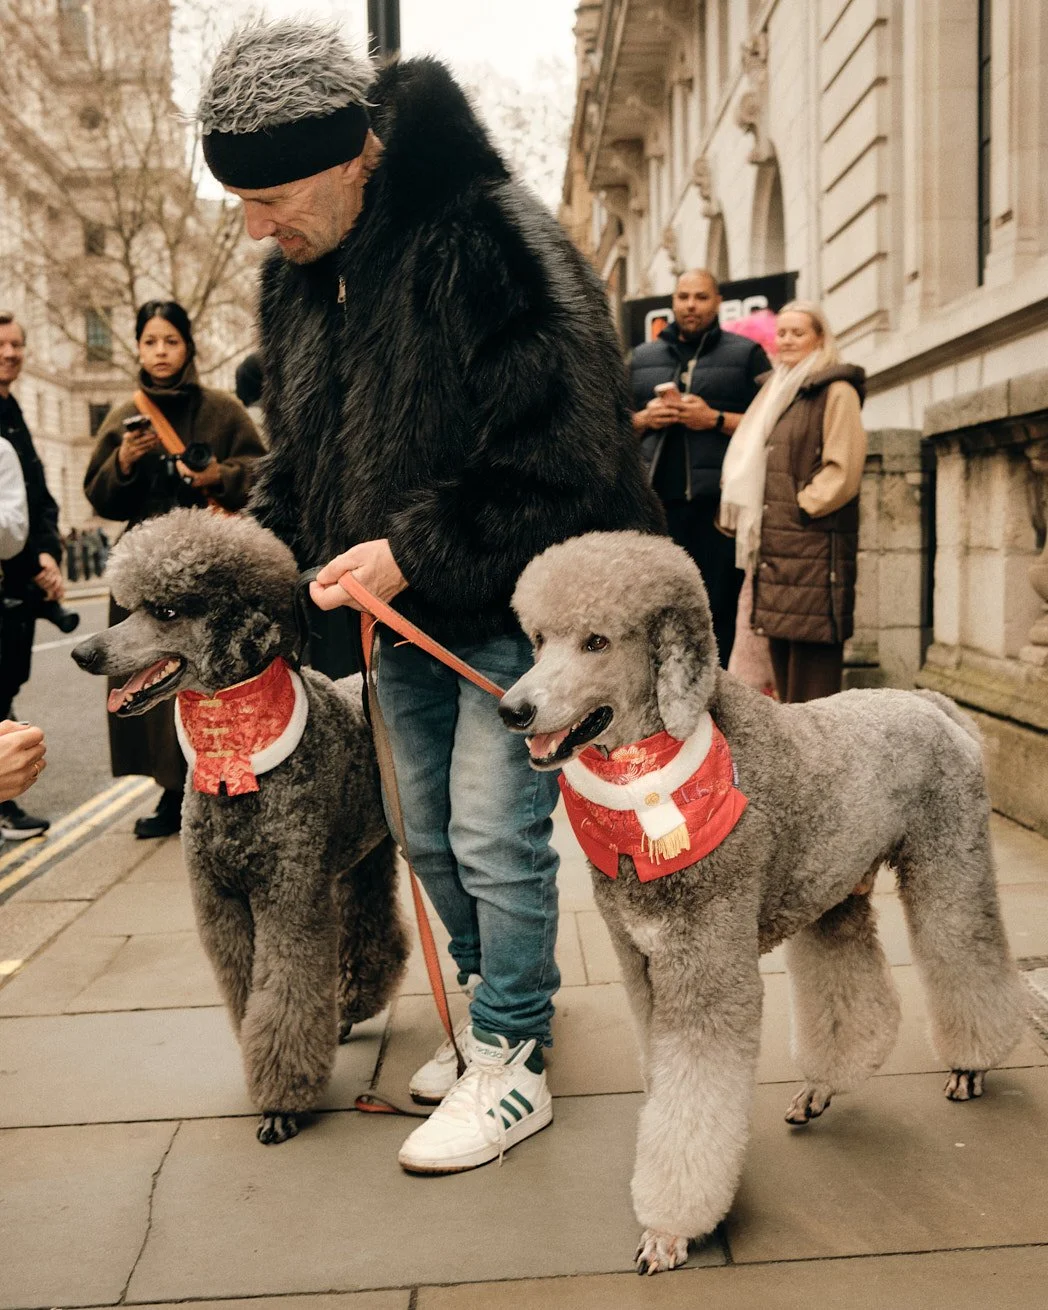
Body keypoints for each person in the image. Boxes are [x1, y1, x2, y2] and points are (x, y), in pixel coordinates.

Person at [197, 19, 663, 1175]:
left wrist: (410, 549)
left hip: (518, 611)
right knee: (423, 833)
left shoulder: (492, 235)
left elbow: (571, 450)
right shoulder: (298, 277)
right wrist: (274, 552)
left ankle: (513, 1052)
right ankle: (484, 1012)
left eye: (273, 195)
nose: (259, 226)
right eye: (240, 201)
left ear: (357, 149)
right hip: (389, 611)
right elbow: (297, 460)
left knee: (496, 836)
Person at [84, 300, 265, 838]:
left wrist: (214, 476)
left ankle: (235, 778)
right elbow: (99, 495)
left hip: (208, 573)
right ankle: (172, 792)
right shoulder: (123, 417)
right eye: (150, 342)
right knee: (149, 678)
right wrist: (124, 462)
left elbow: (261, 473)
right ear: (138, 347)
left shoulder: (223, 408)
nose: (160, 352)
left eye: (171, 341)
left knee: (217, 676)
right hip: (142, 575)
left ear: (187, 347)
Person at [719, 300, 867, 702]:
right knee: (783, 675)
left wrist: (801, 508)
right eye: (781, 332)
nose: (786, 340)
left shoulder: (835, 390)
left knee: (813, 677)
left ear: (820, 338)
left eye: (797, 332)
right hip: (777, 548)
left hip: (812, 545)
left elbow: (843, 468)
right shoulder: (777, 388)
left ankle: (820, 764)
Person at [630, 269, 770, 666]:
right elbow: (607, 426)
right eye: (684, 296)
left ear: (717, 302)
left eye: (701, 297)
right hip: (655, 510)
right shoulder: (642, 357)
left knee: (716, 612)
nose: (691, 305)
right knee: (656, 611)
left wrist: (713, 419)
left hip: (718, 509)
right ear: (673, 301)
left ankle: (716, 702)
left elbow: (774, 423)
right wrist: (644, 420)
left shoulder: (745, 354)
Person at [0, 311, 64, 840]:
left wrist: (46, 551)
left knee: (5, 686)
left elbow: (34, 495)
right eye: (1, 345)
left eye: (17, 344)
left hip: (16, 579)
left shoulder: (13, 409)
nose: (10, 353)